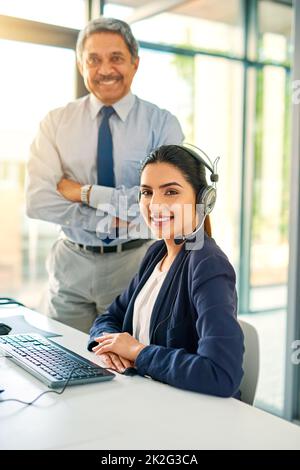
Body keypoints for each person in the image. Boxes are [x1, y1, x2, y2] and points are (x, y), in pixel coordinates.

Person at [26, 18, 184, 332]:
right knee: (64, 363)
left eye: (116, 58)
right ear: (81, 65)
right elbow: (38, 202)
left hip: (135, 263)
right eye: (94, 60)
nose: (105, 69)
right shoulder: (55, 123)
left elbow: (165, 204)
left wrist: (83, 192)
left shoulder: (162, 124)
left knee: (128, 368)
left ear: (135, 64)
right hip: (70, 265)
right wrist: (106, 220)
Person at [88, 145, 244, 398]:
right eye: (146, 192)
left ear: (203, 200)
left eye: (171, 192)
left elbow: (221, 374)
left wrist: (137, 352)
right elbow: (109, 318)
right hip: (145, 398)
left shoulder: (208, 265)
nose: (155, 204)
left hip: (191, 416)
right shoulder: (156, 253)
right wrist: (112, 347)